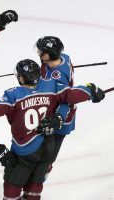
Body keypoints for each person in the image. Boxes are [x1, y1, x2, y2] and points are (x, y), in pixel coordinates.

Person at [0, 59, 105, 199]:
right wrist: (90, 90)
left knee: (12, 183)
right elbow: (71, 94)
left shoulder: (15, 95)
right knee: (36, 181)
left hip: (25, 150)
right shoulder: (51, 85)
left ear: (21, 78)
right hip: (48, 147)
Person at [20, 36, 76, 199]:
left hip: (59, 121)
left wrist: (58, 118)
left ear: (50, 55)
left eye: (41, 52)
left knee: (47, 159)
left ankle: (33, 189)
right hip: (48, 115)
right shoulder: (63, 58)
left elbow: (64, 101)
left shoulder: (58, 77)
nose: (39, 53)